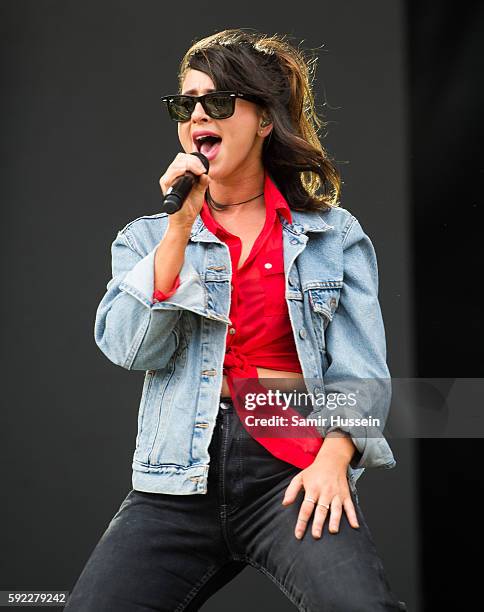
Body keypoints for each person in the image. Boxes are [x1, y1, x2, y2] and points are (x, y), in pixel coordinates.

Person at [65, 28, 407, 612]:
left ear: (264, 119)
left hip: (290, 470)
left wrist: (333, 461)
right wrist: (179, 231)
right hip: (178, 475)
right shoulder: (147, 238)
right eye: (186, 103)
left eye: (218, 102)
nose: (199, 114)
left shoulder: (333, 235)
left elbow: (361, 375)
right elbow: (127, 347)